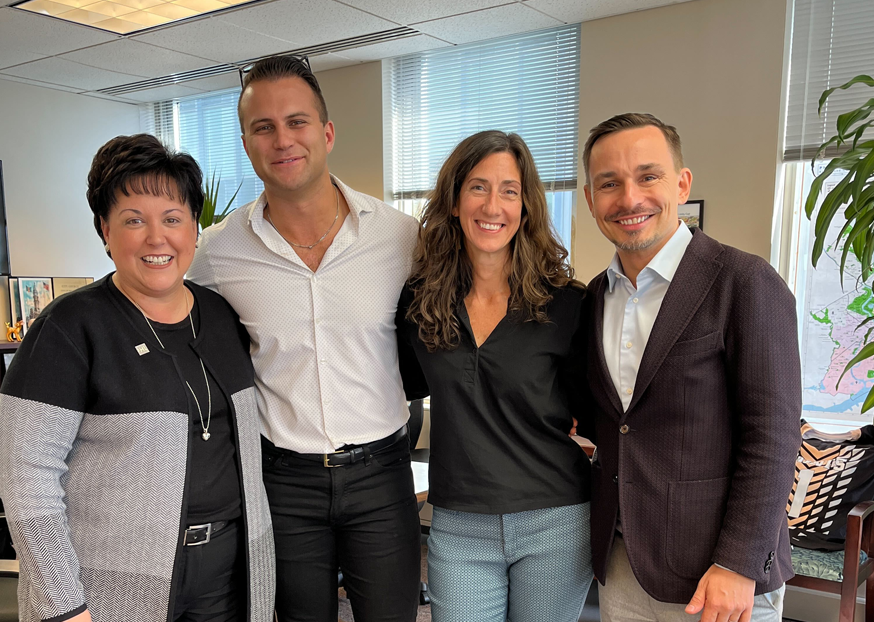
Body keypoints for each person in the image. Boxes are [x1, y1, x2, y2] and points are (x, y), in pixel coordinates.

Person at [0, 134, 275, 622]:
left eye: (172, 219)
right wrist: (65, 605)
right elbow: (25, 478)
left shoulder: (222, 316)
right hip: (114, 583)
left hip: (230, 571)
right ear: (105, 231)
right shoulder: (68, 327)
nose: (156, 238)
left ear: (195, 229)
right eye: (133, 220)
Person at [187, 55, 422, 622]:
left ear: (327, 132)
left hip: (382, 476)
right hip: (281, 485)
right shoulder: (217, 252)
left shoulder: (400, 235)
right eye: (263, 127)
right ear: (246, 143)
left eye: (296, 122)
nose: (282, 139)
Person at [581, 112, 801, 622]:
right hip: (624, 564)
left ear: (681, 184)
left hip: (718, 578)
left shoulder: (744, 281)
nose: (629, 198)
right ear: (591, 201)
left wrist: (738, 563)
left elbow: (773, 435)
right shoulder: (594, 297)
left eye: (648, 176)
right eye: (609, 183)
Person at [396, 130, 593, 622]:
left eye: (510, 190)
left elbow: (592, 408)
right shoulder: (420, 301)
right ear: (456, 199)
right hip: (460, 522)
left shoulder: (566, 303)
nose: (493, 205)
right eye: (478, 187)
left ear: (525, 206)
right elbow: (398, 383)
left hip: (556, 519)